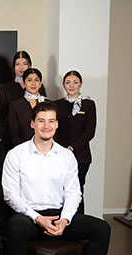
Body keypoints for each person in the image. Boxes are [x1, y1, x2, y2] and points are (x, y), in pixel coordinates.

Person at [2, 101, 110, 255]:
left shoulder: (66, 157)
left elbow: (73, 194)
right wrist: (37, 218)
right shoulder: (16, 154)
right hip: (29, 215)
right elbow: (11, 195)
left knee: (101, 228)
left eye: (51, 121)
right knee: (15, 226)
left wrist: (66, 220)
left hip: (59, 215)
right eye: (41, 120)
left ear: (57, 125)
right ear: (32, 123)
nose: (46, 125)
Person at [55, 70, 96, 215]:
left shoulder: (89, 104)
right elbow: (54, 129)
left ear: (81, 84)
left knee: (76, 190)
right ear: (63, 85)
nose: (71, 85)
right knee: (60, 190)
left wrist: (72, 148)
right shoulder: (57, 104)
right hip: (60, 154)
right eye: (68, 82)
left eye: (75, 82)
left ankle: (79, 223)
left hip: (81, 156)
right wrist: (62, 149)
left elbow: (89, 132)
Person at [0, 51, 46, 125]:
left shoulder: (37, 86)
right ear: (14, 67)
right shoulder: (5, 88)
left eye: (25, 64)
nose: (21, 67)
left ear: (30, 66)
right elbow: (3, 115)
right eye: (17, 64)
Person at [9, 68, 48, 147]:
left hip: (46, 148)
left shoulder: (48, 104)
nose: (33, 83)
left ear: (40, 84)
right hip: (23, 150)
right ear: (24, 83)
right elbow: (14, 134)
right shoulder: (15, 105)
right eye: (29, 80)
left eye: (36, 80)